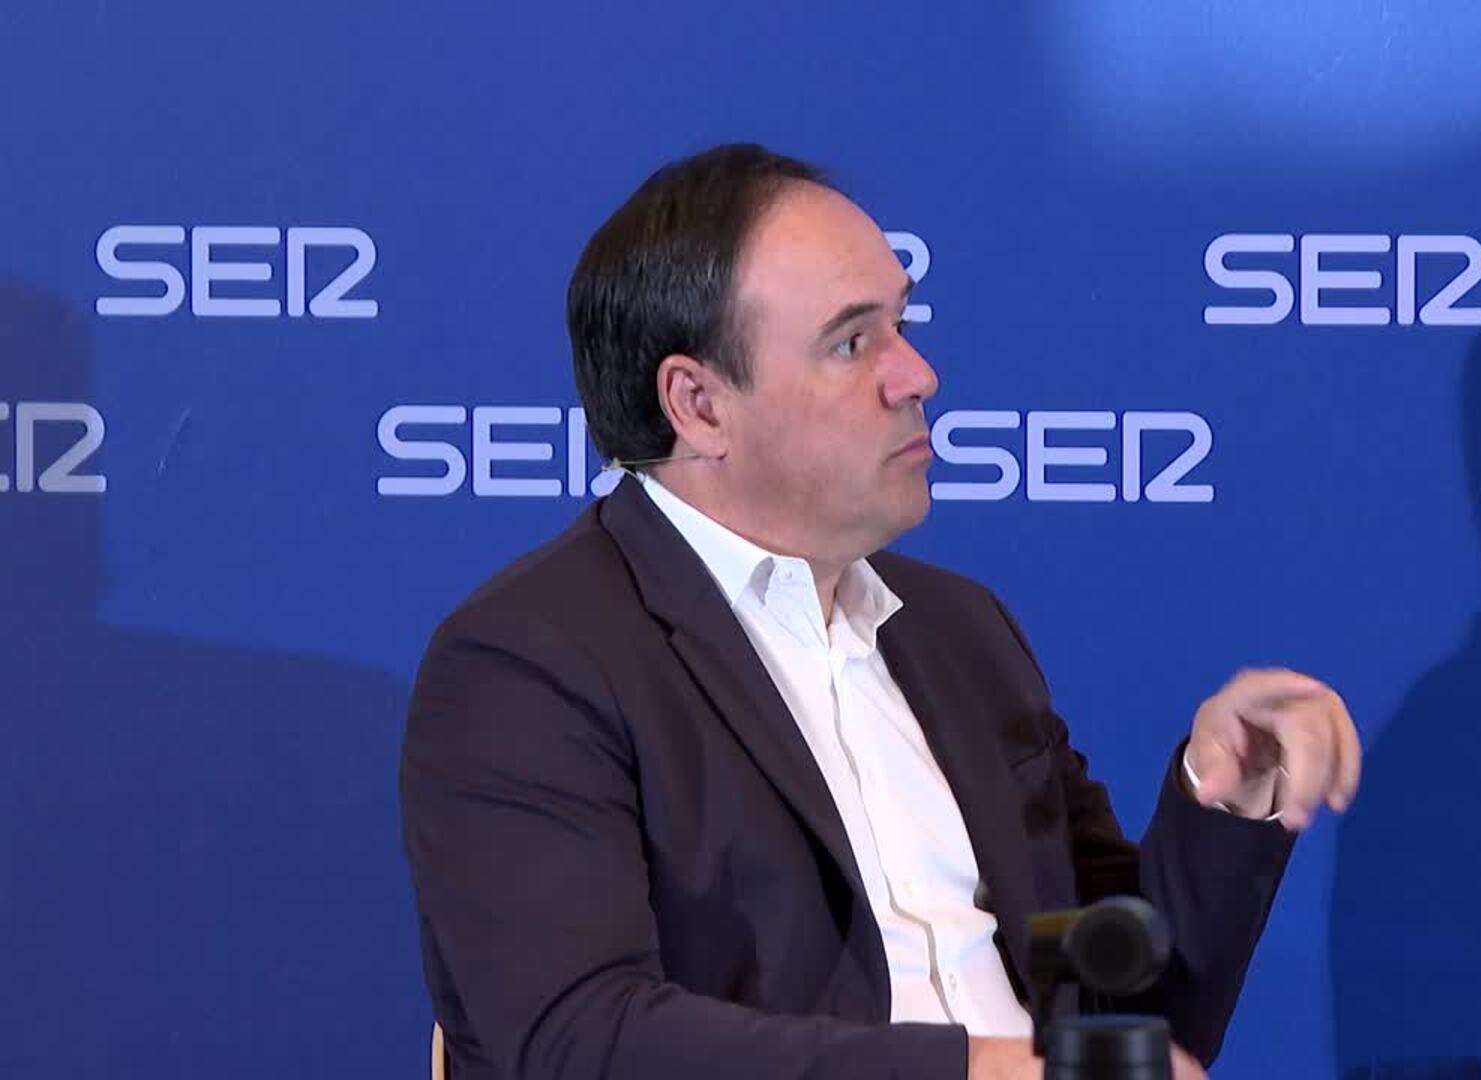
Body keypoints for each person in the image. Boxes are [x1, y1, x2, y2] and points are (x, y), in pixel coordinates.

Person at [399, 143, 1361, 1080]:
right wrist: (979, 1070)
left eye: (901, 325)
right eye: (852, 343)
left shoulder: (960, 633)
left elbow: (1120, 1014)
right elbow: (579, 1042)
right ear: (698, 405)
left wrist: (1226, 796)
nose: (917, 375)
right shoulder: (530, 662)